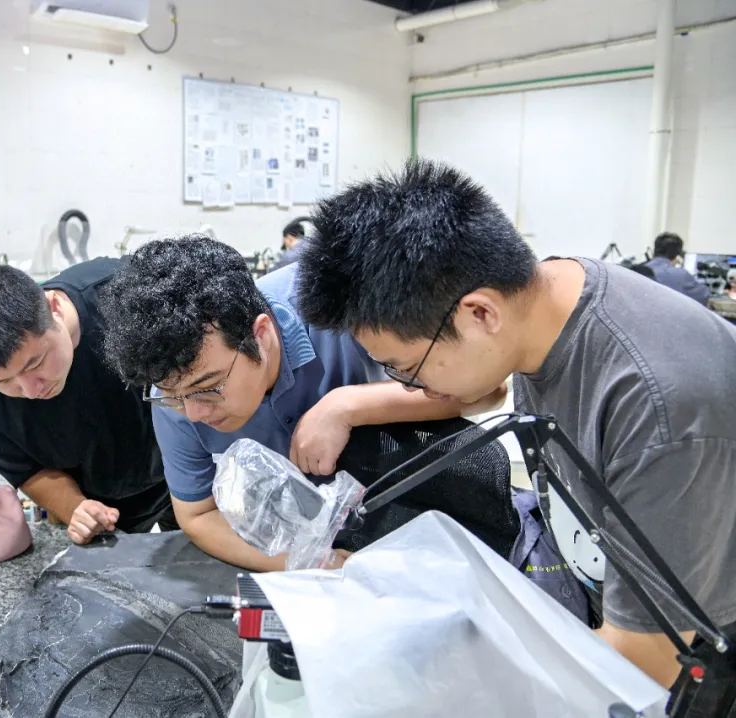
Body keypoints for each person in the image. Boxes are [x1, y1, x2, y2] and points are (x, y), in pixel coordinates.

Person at [295, 158, 736, 688]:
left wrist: (440, 653)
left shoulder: (658, 404)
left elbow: (645, 664)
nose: (408, 387)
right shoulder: (544, 302)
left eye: (407, 367)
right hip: (601, 598)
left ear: (480, 314)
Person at [98, 236, 506, 572]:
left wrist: (346, 407)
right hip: (314, 546)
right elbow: (198, 516)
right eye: (173, 396)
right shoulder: (175, 393)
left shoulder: (338, 304)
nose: (194, 413)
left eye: (209, 388)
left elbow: (488, 390)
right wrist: (306, 562)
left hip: (419, 516)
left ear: (261, 335)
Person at [0, 260, 175, 545]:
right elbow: (29, 471)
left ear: (54, 307)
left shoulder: (130, 296)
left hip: (191, 468)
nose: (29, 389)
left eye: (35, 363)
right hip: (106, 505)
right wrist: (76, 508)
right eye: (3, 382)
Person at [645, 232, 710, 305]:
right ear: (677, 256)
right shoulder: (680, 275)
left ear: (654, 251)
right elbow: (704, 296)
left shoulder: (636, 270)